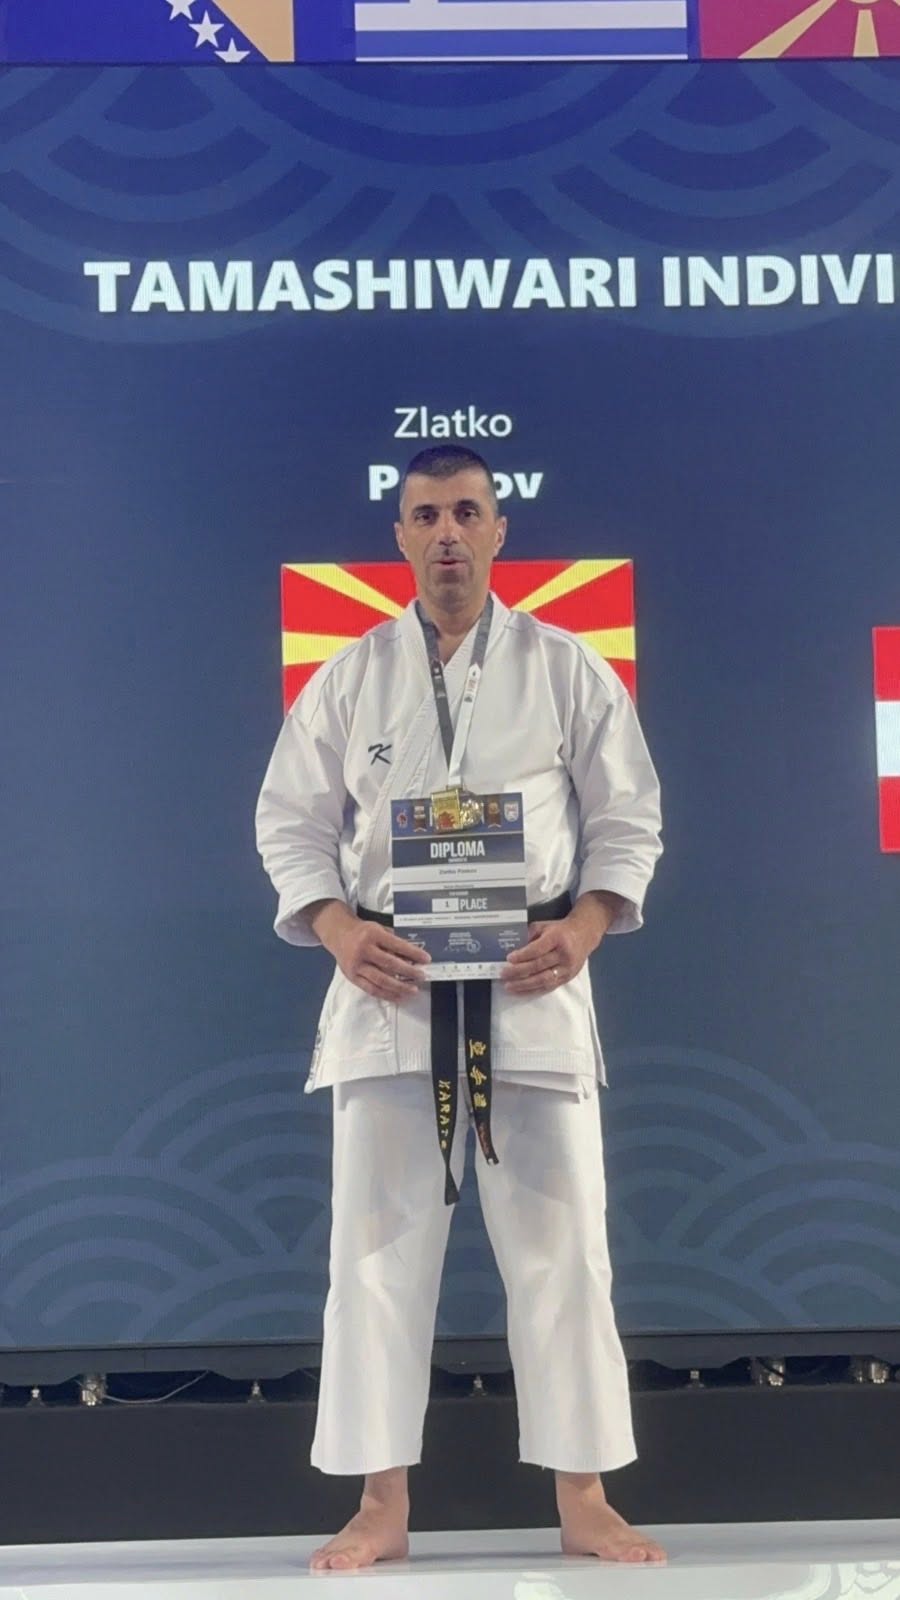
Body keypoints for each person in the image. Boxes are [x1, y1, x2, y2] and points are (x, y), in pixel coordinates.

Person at [255, 445, 665, 1569]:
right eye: (427, 514)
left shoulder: (566, 667)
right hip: (391, 985)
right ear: (399, 536)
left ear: (498, 530)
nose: (447, 533)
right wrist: (338, 930)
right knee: (372, 1259)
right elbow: (289, 823)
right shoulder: (351, 677)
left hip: (532, 979)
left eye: (467, 512)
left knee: (565, 1252)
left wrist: (586, 926)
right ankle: (379, 1504)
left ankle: (584, 1495)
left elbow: (628, 818)